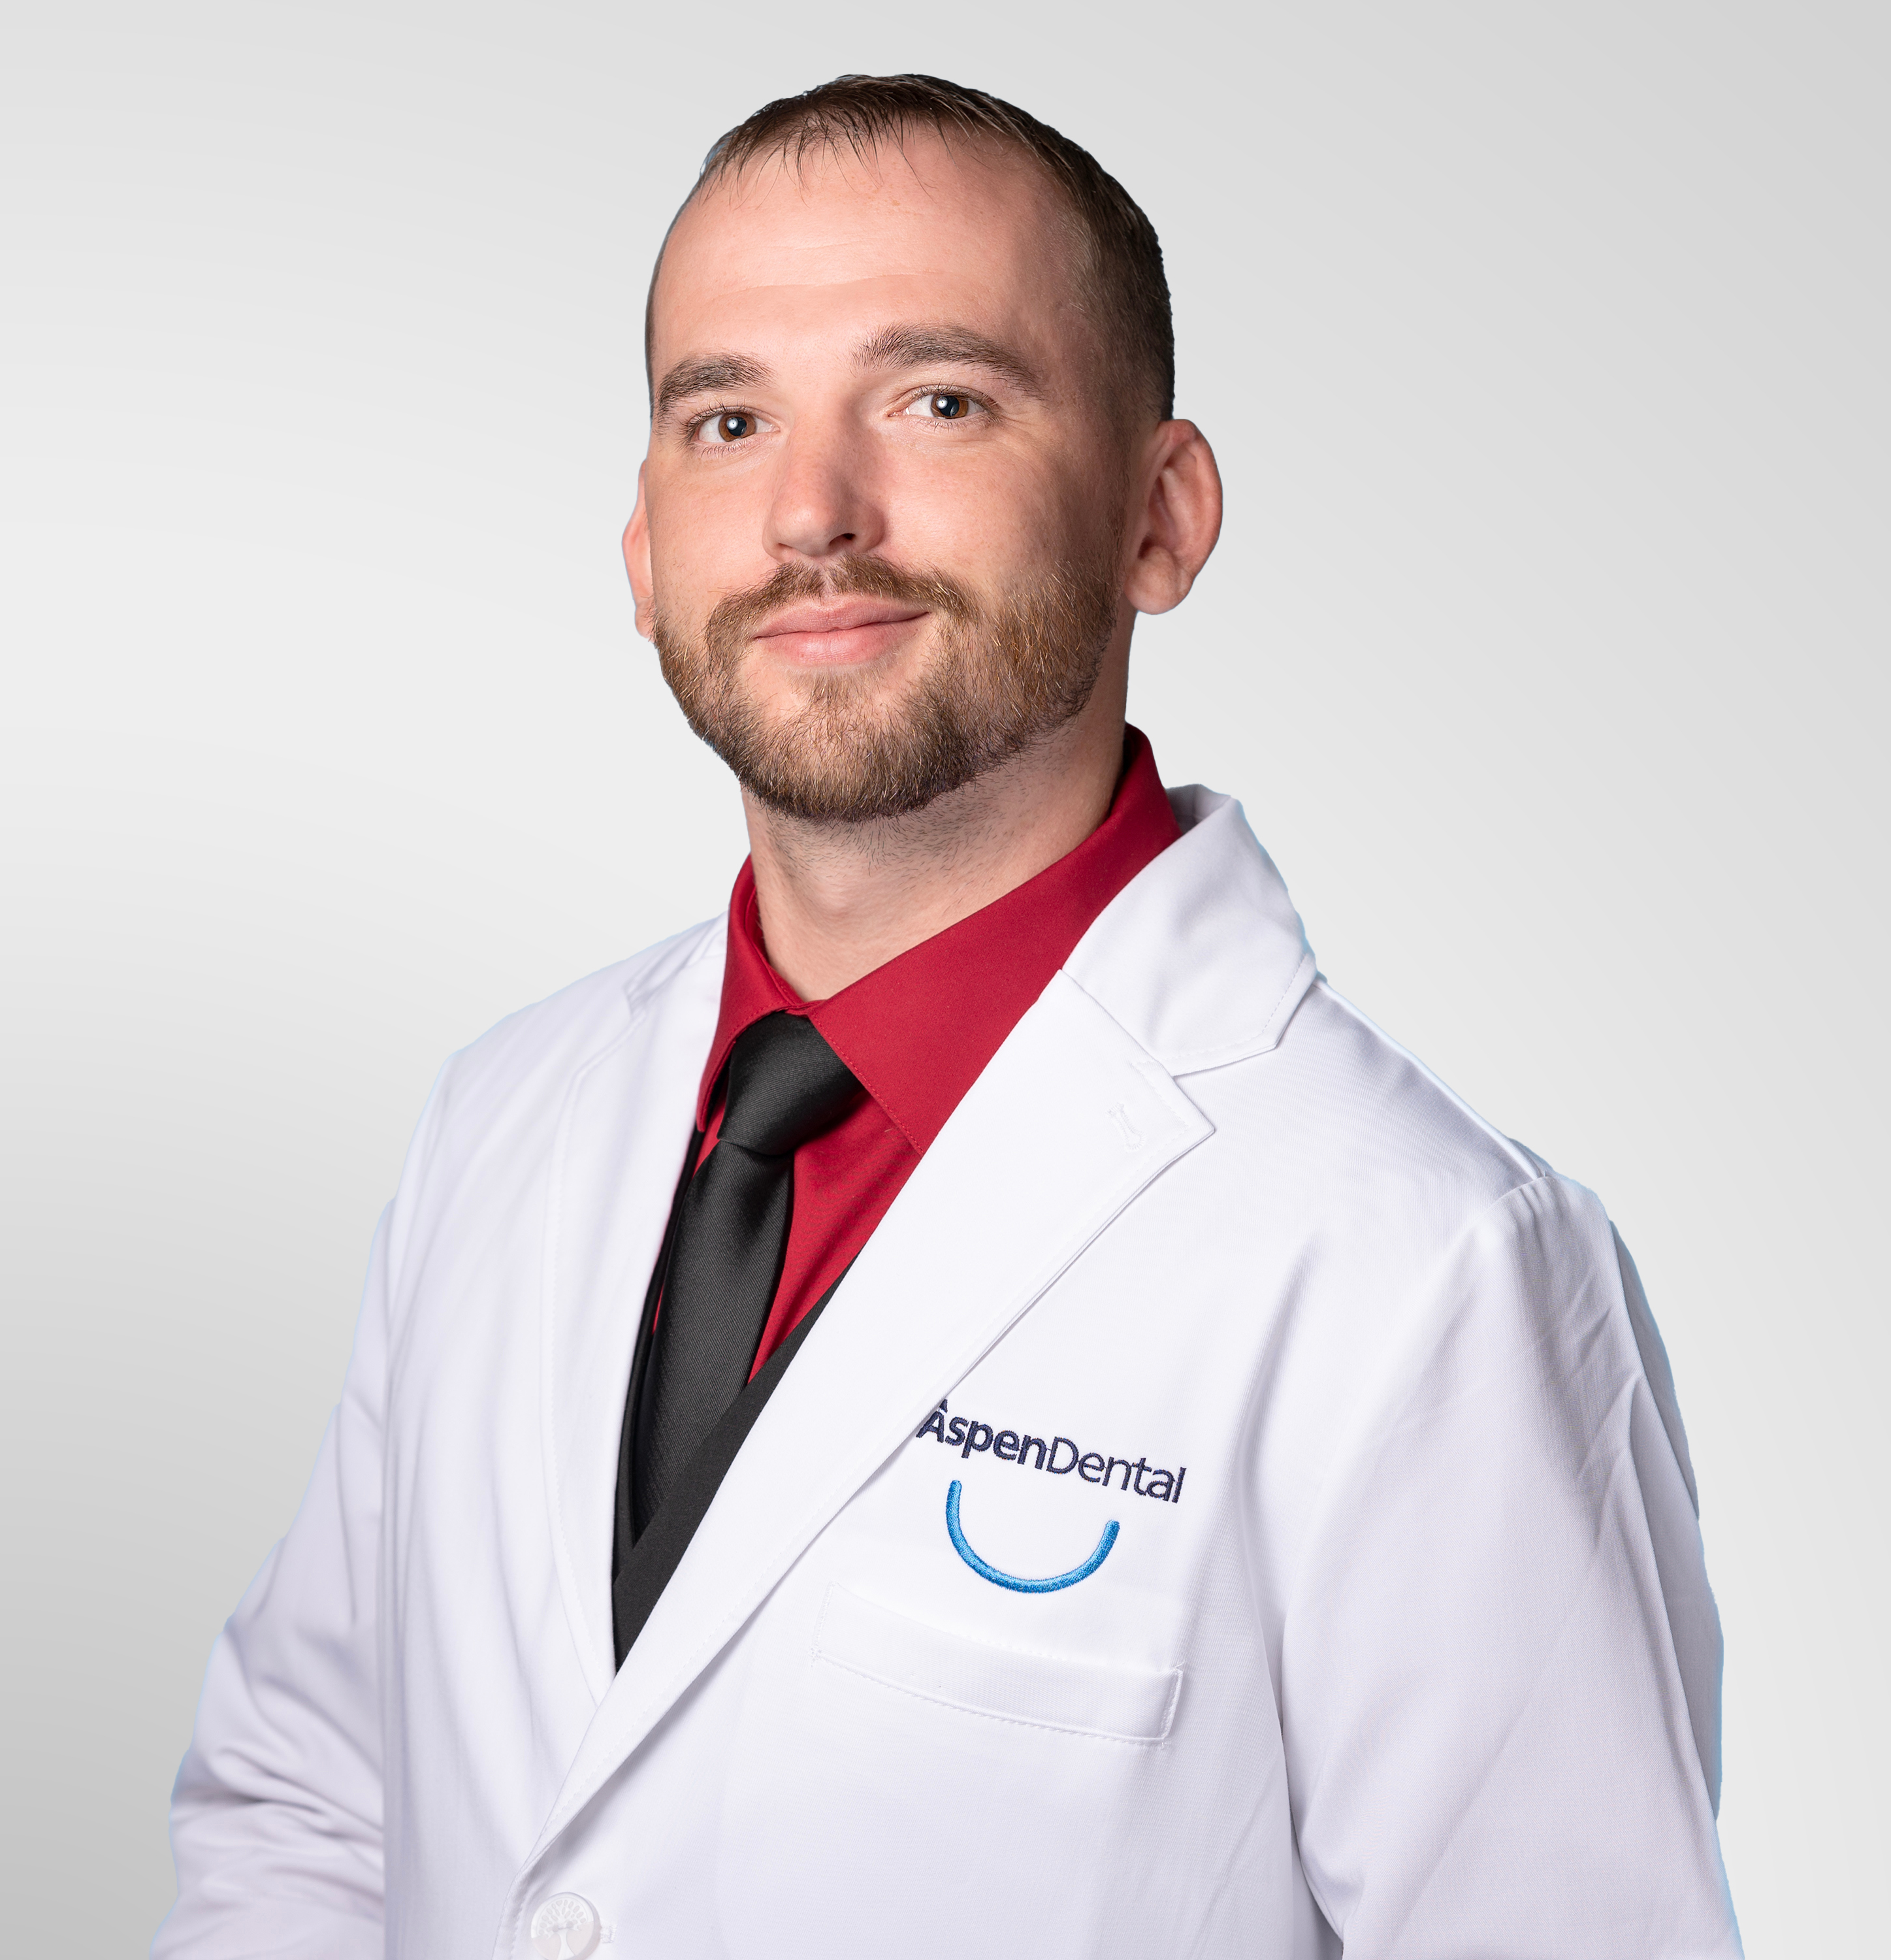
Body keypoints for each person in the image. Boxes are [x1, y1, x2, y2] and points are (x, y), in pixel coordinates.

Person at [155, 74, 1740, 1960]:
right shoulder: (501, 1116)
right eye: (727, 419)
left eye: (939, 399)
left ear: (1160, 515)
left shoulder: (1425, 1265)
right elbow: (311, 1802)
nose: (812, 514)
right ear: (645, 547)